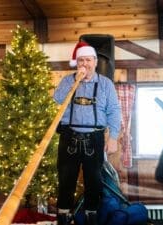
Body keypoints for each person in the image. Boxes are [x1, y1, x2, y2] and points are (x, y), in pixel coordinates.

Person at [53, 41, 121, 225]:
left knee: (94, 181)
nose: (84, 64)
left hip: (95, 138)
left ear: (95, 62)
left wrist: (113, 137)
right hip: (69, 137)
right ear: (77, 62)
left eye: (88, 60)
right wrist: (74, 82)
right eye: (81, 60)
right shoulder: (68, 80)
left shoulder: (106, 84)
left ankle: (91, 216)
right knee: (66, 179)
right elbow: (56, 101)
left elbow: (114, 111)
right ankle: (63, 216)